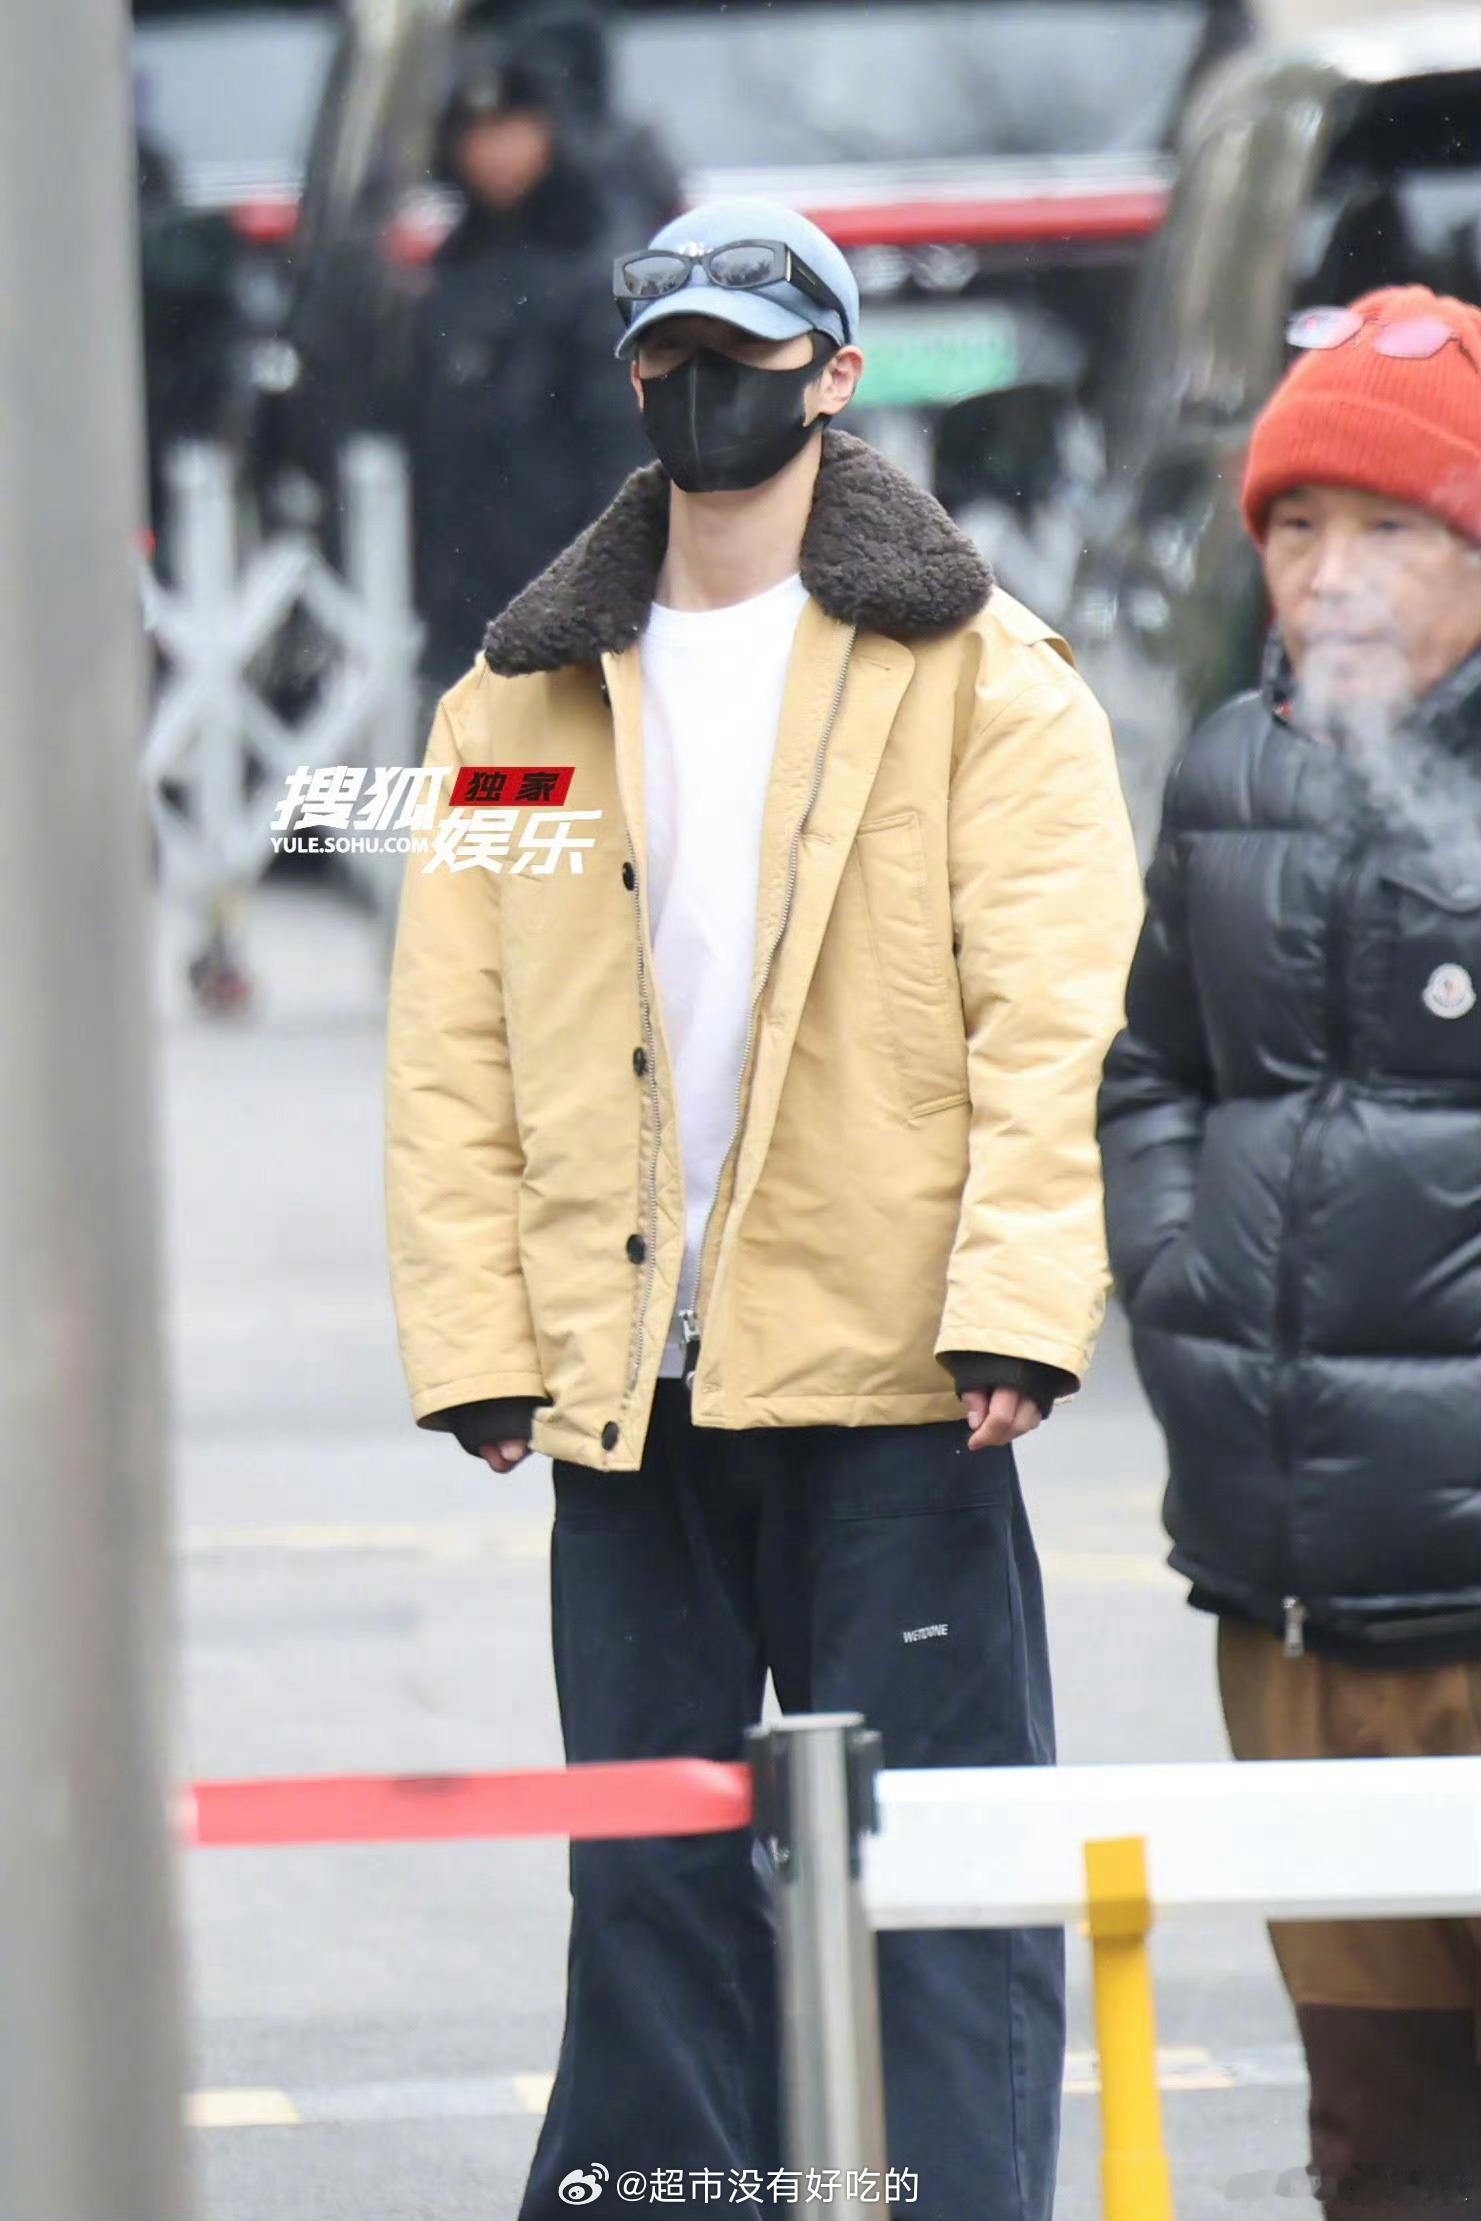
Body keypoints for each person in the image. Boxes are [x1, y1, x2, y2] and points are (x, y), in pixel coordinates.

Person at [385, 196, 1142, 2220]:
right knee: (649, 1884)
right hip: (626, 1384)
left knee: (934, 1881)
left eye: (744, 350)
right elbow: (453, 1045)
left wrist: (1017, 1303)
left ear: (837, 373)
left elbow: (1054, 1017)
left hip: (894, 1379)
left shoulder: (982, 682)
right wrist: (477, 1342)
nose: (703, 386)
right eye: (670, 353)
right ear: (632, 373)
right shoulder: (520, 704)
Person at [1098, 285, 1481, 2221]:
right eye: (1293, 526)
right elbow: (1150, 1070)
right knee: (1380, 2150)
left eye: (1388, 528)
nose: (1327, 574)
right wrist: (1180, 1278)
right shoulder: (1224, 770)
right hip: (1290, 1601)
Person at [397, 35, 651, 689]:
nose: (495, 154)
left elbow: (620, 437)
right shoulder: (450, 271)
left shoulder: (592, 257)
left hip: (566, 568)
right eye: (477, 135)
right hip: (462, 587)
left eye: (512, 130)